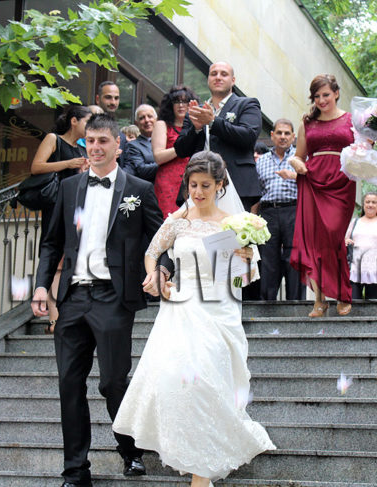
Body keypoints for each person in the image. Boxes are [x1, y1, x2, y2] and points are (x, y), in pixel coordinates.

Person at [113, 151, 275, 487]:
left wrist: (245, 257)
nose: (198, 192)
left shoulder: (234, 224)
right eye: (193, 185)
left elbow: (243, 278)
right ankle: (194, 459)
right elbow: (152, 252)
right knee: (177, 382)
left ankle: (201, 474)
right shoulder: (179, 220)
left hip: (218, 310)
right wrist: (157, 275)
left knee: (207, 384)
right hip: (181, 308)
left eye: (205, 185)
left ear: (219, 185)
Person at [30, 114, 165, 487]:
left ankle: (129, 448)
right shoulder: (69, 187)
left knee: (112, 382)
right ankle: (75, 471)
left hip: (113, 297)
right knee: (69, 384)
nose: (95, 147)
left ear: (118, 145)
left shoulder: (139, 189)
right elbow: (52, 242)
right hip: (73, 297)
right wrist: (41, 286)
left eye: (103, 141)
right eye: (90, 141)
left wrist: (160, 271)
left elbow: (161, 240)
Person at [288, 74, 356, 317]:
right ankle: (319, 299)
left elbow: (364, 148)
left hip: (341, 182)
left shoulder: (352, 120)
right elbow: (298, 155)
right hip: (312, 181)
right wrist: (297, 163)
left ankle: (343, 293)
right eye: (316, 96)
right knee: (314, 242)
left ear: (336, 93)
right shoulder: (307, 123)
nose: (321, 100)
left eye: (326, 94)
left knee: (334, 237)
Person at [29, 104, 92, 333]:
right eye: (87, 121)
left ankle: (68, 315)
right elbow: (36, 167)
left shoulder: (81, 149)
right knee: (56, 261)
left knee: (71, 261)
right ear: (74, 121)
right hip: (56, 207)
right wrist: (68, 164)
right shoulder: (53, 139)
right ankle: (54, 319)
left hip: (76, 210)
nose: (90, 127)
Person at [173, 61, 263, 211]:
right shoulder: (196, 110)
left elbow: (248, 136)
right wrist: (196, 129)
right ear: (208, 79)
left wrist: (213, 122)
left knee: (233, 226)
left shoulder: (247, 104)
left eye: (224, 74)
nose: (218, 77)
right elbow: (180, 150)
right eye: (213, 74)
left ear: (233, 80)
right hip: (198, 186)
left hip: (236, 183)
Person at [255, 118, 305, 300]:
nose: (283, 137)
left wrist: (294, 175)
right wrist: (253, 218)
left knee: (295, 258)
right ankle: (267, 305)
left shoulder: (301, 159)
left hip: (294, 210)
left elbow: (314, 183)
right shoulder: (261, 161)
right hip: (268, 213)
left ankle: (296, 305)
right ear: (272, 135)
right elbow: (257, 192)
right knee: (268, 259)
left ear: (293, 136)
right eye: (279, 133)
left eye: (287, 133)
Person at [152, 85, 198, 217]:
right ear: (170, 105)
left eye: (185, 101)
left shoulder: (196, 126)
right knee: (169, 221)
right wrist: (182, 147)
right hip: (168, 182)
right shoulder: (162, 125)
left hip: (193, 179)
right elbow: (158, 156)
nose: (181, 105)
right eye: (176, 101)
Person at [344, 192, 377, 300]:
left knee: (374, 305)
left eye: (374, 202)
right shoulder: (355, 222)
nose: (370, 205)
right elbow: (345, 240)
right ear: (363, 204)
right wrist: (346, 241)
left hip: (376, 270)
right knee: (352, 303)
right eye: (367, 202)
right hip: (355, 270)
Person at [123, 104, 158, 181]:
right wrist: (166, 163)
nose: (147, 120)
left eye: (150, 116)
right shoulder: (133, 145)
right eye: (142, 118)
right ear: (137, 123)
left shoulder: (167, 140)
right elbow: (142, 170)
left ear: (156, 119)